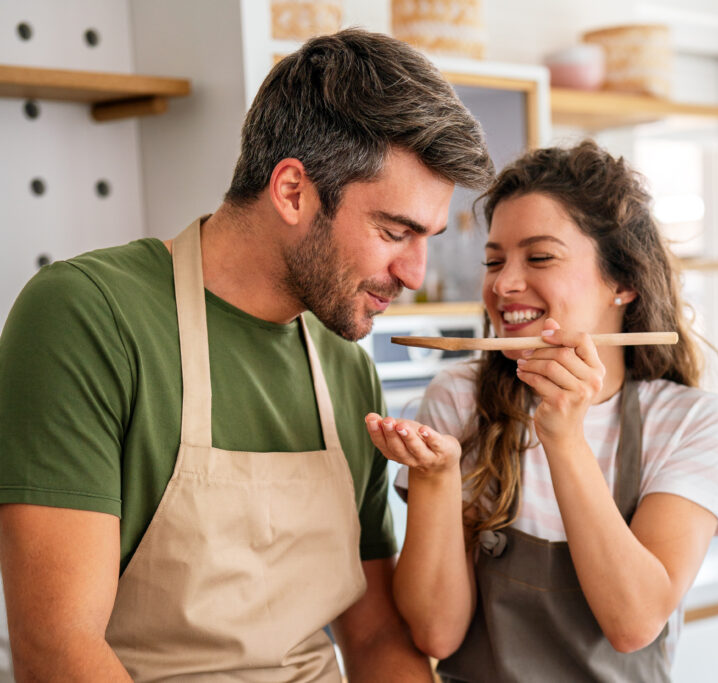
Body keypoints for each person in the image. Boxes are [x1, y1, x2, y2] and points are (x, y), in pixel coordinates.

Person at [0, 28, 492, 681]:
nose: (413, 270)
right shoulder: (86, 316)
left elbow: (374, 637)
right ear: (292, 191)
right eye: (394, 231)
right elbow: (59, 650)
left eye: (426, 236)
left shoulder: (345, 370)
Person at [365, 140, 718, 682]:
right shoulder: (457, 398)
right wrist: (435, 478)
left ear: (624, 282)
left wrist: (564, 437)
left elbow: (633, 623)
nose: (504, 283)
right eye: (494, 261)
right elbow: (435, 633)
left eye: (539, 257)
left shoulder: (688, 423)